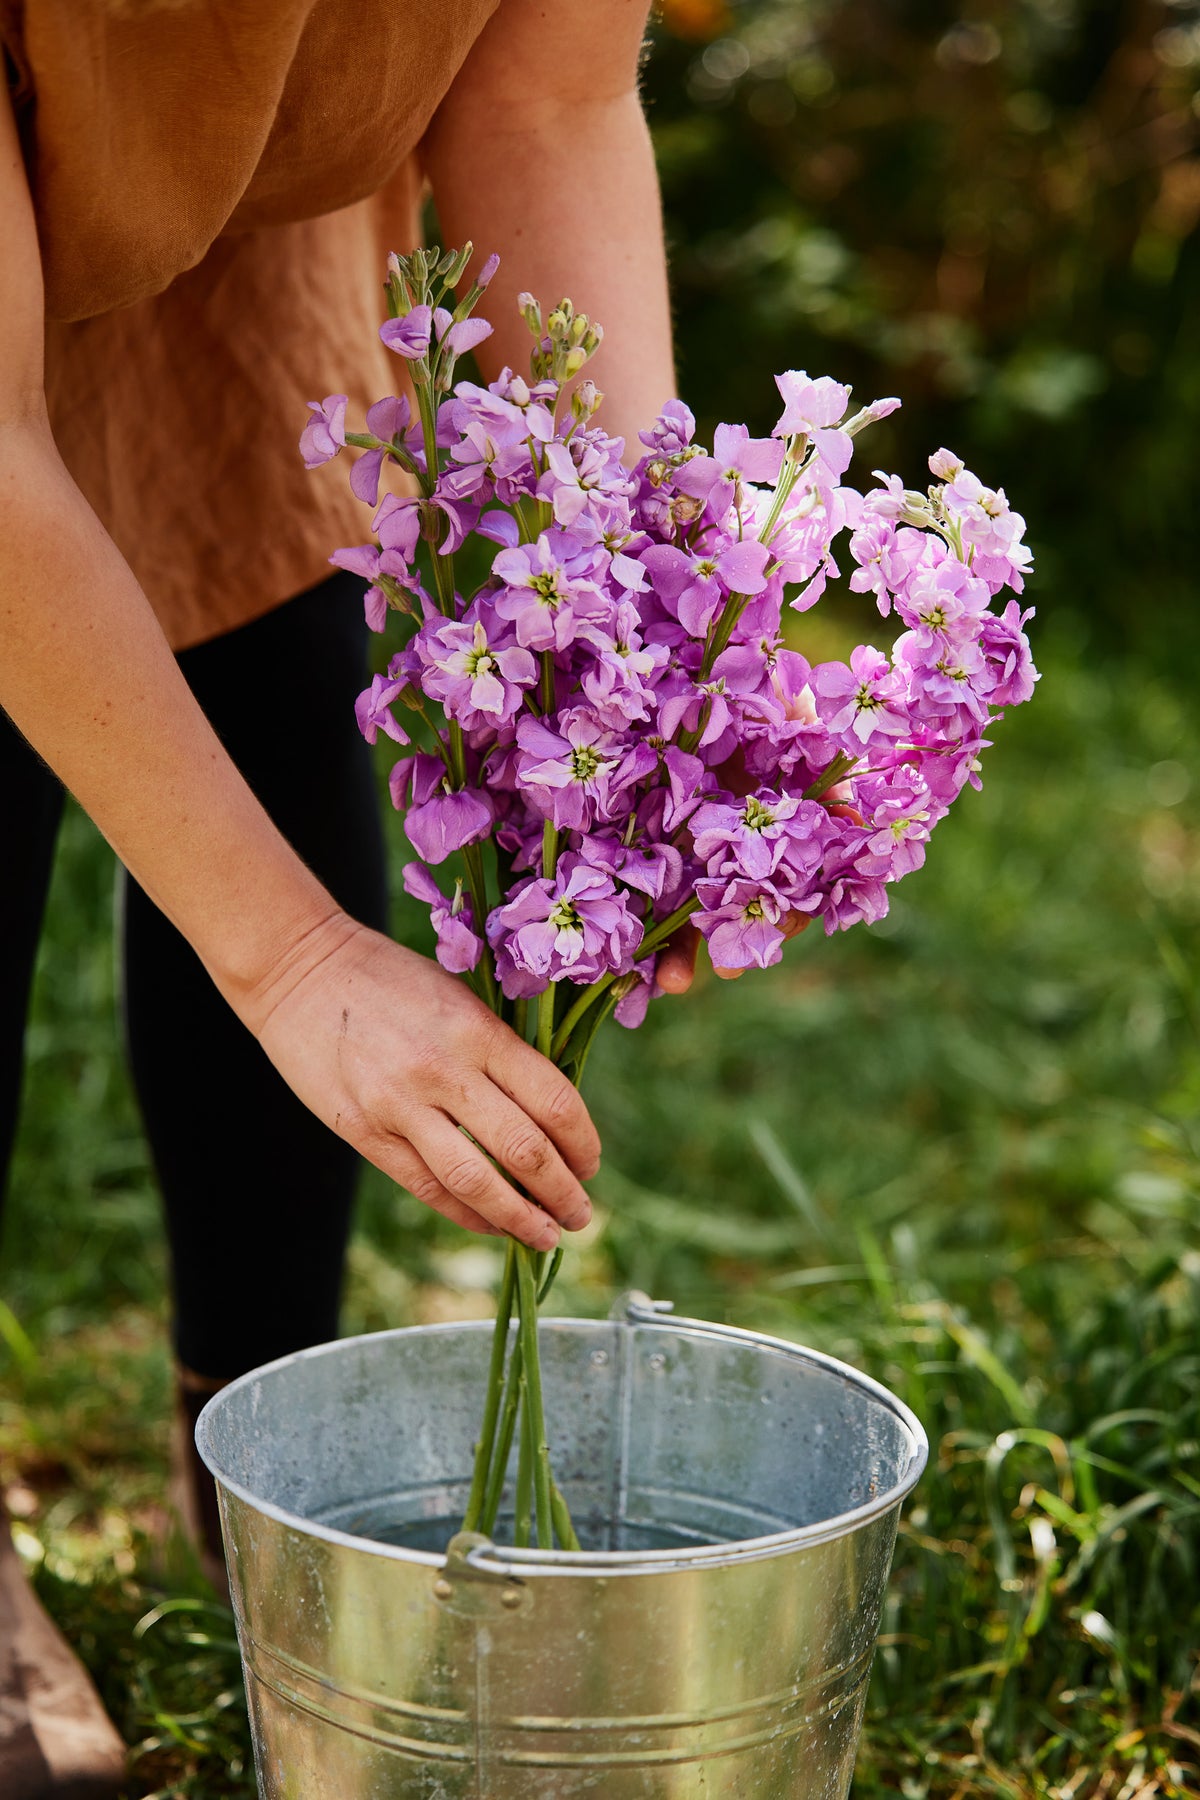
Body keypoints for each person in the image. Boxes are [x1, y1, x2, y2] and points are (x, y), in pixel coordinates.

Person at [0, 2, 679, 1792]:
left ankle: (255, 1449)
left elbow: (552, 93)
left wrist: (636, 667)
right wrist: (296, 962)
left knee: (270, 635)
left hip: (241, 205)